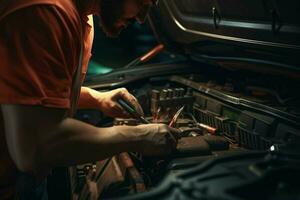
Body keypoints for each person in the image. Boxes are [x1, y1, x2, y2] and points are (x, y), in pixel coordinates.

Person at [0, 0, 179, 199]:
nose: (141, 17)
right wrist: (137, 137)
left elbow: (36, 93)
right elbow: (36, 147)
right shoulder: (47, 12)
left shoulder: (82, 18)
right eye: (142, 2)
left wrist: (97, 98)